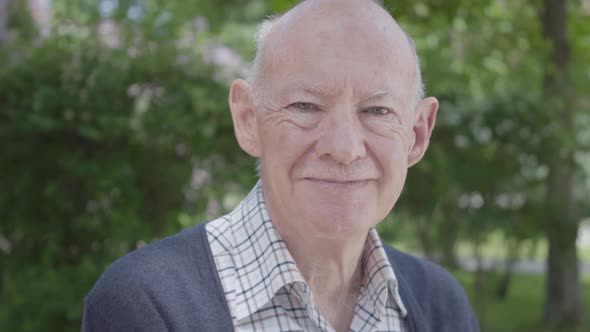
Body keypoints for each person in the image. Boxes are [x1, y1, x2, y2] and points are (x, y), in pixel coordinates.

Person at [82, 0, 479, 331]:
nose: (343, 148)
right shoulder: (147, 305)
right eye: (305, 106)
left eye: (377, 110)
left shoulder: (441, 307)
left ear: (418, 134)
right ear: (248, 119)